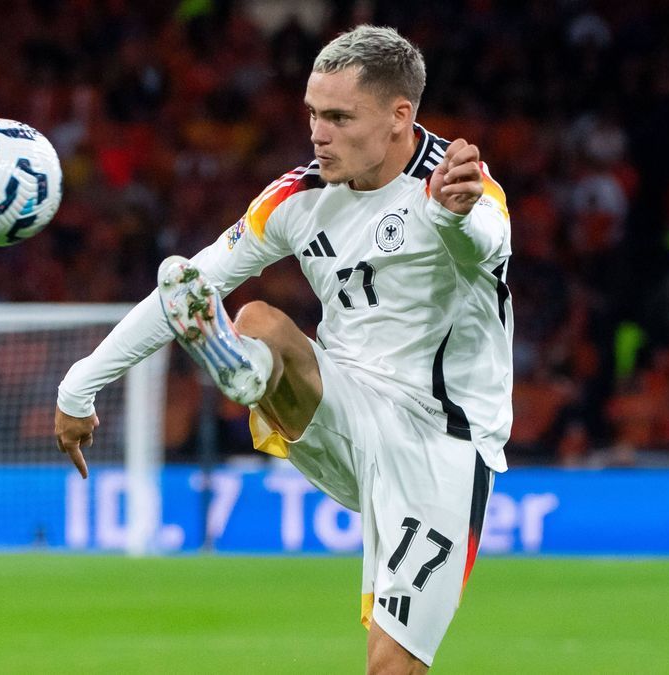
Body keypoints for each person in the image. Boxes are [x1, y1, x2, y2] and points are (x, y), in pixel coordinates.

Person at [54, 25, 512, 673]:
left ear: (398, 117)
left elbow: (488, 245)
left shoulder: (460, 187)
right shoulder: (297, 197)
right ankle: (244, 372)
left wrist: (452, 218)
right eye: (312, 114)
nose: (318, 133)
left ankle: (249, 372)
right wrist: (80, 384)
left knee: (391, 667)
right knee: (261, 318)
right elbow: (186, 286)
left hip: (441, 441)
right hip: (340, 406)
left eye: (338, 117)